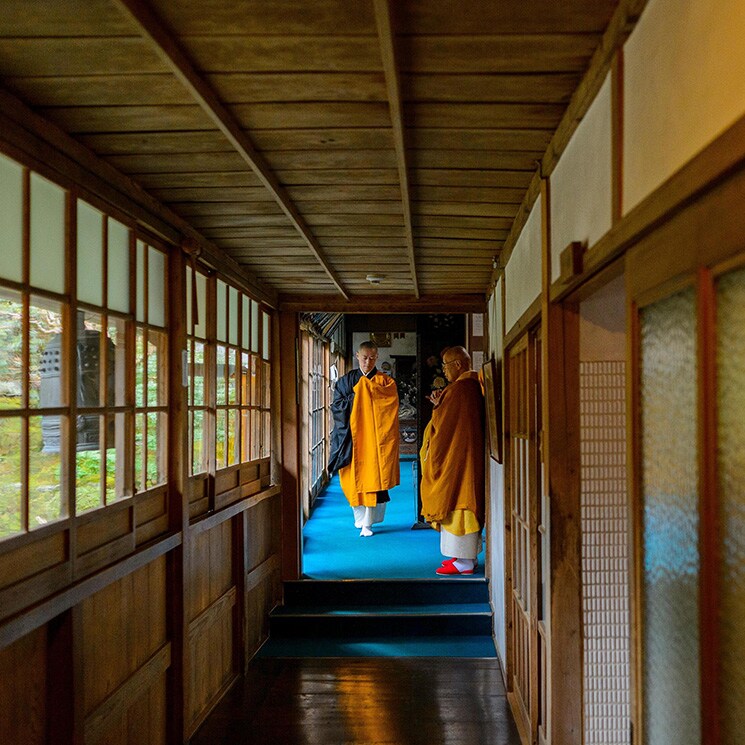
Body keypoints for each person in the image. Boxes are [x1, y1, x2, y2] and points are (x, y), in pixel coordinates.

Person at [420, 346, 485, 574]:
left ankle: (465, 561)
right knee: (459, 500)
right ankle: (463, 557)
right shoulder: (466, 387)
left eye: (446, 366)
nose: (444, 372)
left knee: (460, 502)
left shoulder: (463, 389)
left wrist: (438, 409)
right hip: (461, 454)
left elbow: (444, 426)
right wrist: (440, 405)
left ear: (458, 365)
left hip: (459, 458)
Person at [327, 341, 400, 537]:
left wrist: (367, 393)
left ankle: (368, 522)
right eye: (364, 357)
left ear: (377, 358)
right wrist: (359, 395)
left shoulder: (385, 382)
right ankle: (359, 519)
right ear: (357, 355)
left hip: (375, 442)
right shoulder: (345, 381)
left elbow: (389, 407)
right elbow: (337, 406)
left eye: (372, 358)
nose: (368, 361)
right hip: (351, 439)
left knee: (372, 481)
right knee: (351, 482)